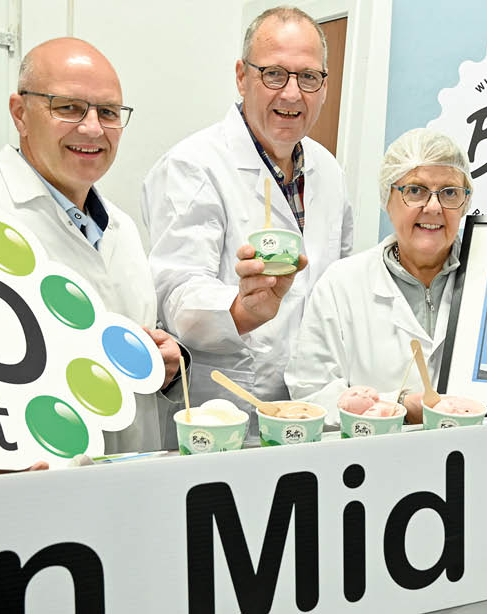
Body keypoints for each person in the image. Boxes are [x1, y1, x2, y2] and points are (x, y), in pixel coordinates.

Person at [0, 38, 183, 477]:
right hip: (13, 498)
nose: (92, 128)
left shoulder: (123, 231)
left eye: (108, 112)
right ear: (20, 113)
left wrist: (160, 365)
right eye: (68, 107)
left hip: (129, 483)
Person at [142, 7, 353, 429]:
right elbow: (176, 291)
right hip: (221, 408)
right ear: (242, 76)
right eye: (275, 74)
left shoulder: (327, 170)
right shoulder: (193, 165)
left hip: (313, 407)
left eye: (309, 77)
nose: (292, 94)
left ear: (324, 86)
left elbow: (337, 283)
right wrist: (240, 309)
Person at [287, 128, 487, 423]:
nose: (433, 207)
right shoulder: (342, 285)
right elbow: (310, 393)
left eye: (449, 192)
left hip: (477, 458)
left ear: (465, 203)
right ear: (387, 199)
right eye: (415, 190)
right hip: (375, 461)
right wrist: (397, 407)